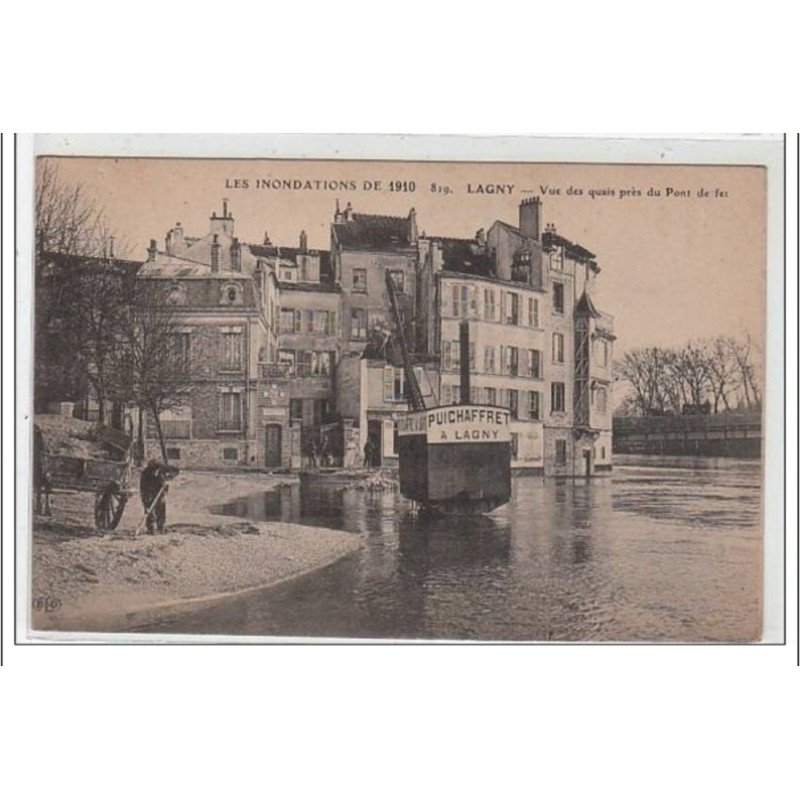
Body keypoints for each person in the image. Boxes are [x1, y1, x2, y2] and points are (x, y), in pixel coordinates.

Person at [140, 458, 169, 535]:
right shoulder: (145, 474)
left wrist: (164, 489)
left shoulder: (160, 473)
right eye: (154, 470)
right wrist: (146, 500)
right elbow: (143, 489)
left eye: (157, 470)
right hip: (148, 492)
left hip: (159, 492)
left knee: (161, 507)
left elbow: (164, 486)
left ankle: (161, 526)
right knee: (149, 509)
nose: (156, 472)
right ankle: (150, 527)